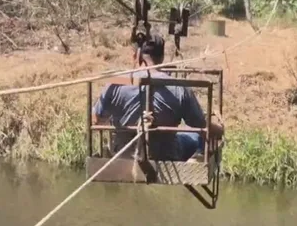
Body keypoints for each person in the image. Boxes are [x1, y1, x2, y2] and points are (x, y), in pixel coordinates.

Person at [91, 33, 223, 161]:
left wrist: (123, 121)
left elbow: (95, 119)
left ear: (136, 56)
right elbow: (199, 125)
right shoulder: (178, 87)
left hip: (123, 152)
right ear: (162, 58)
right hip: (166, 154)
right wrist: (220, 129)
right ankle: (197, 158)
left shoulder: (116, 82)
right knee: (196, 136)